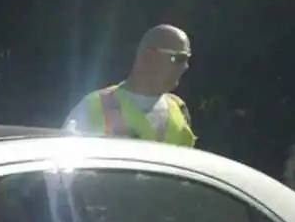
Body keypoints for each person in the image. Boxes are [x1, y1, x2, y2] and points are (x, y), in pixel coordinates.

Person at [64, 26, 196, 146]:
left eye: (187, 60)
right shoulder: (94, 107)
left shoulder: (179, 109)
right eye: (180, 58)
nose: (185, 67)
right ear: (148, 57)